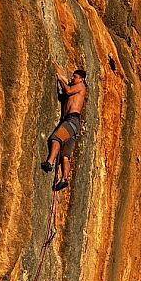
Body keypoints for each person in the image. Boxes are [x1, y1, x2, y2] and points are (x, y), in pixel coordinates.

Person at [41, 62, 87, 191]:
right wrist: (55, 65)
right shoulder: (76, 86)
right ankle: (64, 179)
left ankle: (49, 162)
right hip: (73, 124)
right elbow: (63, 76)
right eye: (72, 77)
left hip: (71, 120)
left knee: (56, 138)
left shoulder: (80, 86)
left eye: (75, 77)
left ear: (81, 79)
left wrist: (61, 80)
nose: (72, 78)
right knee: (64, 156)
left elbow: (67, 89)